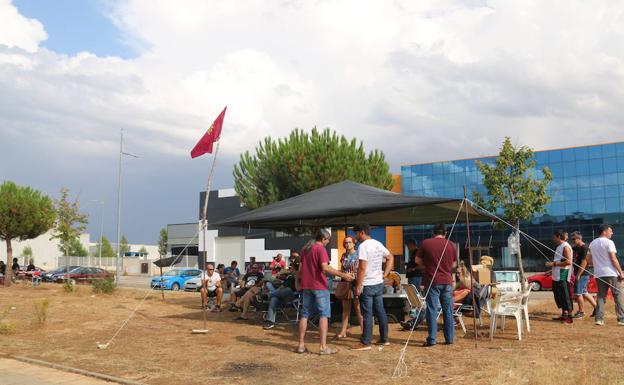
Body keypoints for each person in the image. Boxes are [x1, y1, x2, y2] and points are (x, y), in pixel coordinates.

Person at [296, 229, 353, 355]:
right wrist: (343, 274)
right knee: (324, 315)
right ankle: (323, 347)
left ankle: (300, 345)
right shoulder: (320, 249)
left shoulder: (306, 249)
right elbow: (325, 267)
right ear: (323, 239)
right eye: (328, 240)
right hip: (319, 285)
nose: (328, 242)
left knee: (304, 314)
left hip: (306, 285)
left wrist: (299, 281)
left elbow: (300, 269)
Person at [351, 223, 393, 351]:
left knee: (367, 313)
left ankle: (366, 342)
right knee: (380, 311)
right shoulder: (377, 243)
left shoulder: (363, 246)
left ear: (361, 232)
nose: (355, 236)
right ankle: (384, 338)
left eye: (356, 233)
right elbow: (390, 257)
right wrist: (384, 275)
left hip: (368, 284)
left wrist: (358, 285)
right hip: (378, 283)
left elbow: (362, 267)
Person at [416, 223, 457, 347]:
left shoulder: (426, 243)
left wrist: (427, 267)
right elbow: (455, 264)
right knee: (448, 310)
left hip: (432, 280)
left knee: (432, 310)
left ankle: (432, 339)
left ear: (433, 232)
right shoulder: (452, 244)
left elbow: (417, 260)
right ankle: (449, 338)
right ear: (445, 233)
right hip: (447, 280)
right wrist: (446, 268)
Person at [588, 224, 624, 326]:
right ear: (604, 231)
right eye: (610, 231)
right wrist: (621, 272)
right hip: (612, 273)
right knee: (618, 295)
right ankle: (621, 319)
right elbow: (613, 258)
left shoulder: (592, 243)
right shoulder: (609, 242)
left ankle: (599, 319)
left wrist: (597, 265)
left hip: (599, 273)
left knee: (600, 296)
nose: (612, 233)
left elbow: (588, 260)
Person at [336, 236, 363, 339]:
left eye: (349, 242)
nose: (348, 244)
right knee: (345, 309)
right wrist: (343, 275)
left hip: (355, 283)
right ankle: (343, 331)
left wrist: (355, 277)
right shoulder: (343, 256)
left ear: (354, 243)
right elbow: (342, 269)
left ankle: (363, 331)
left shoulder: (358, 255)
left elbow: (361, 269)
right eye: (346, 242)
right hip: (345, 284)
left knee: (358, 309)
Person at [546, 229, 574, 324]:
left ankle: (569, 317)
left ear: (558, 236)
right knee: (559, 296)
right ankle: (564, 315)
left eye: (554, 236)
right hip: (556, 275)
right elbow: (560, 261)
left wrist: (552, 264)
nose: (552, 238)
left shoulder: (565, 247)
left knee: (565, 296)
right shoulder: (559, 246)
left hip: (563, 275)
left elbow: (568, 262)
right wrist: (552, 270)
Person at [570, 232, 596, 318]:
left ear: (579, 239)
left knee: (578, 293)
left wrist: (578, 275)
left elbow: (584, 262)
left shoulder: (584, 248)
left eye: (574, 239)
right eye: (572, 239)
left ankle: (581, 312)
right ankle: (597, 308)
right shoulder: (575, 248)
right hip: (579, 273)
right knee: (584, 292)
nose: (572, 241)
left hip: (582, 274)